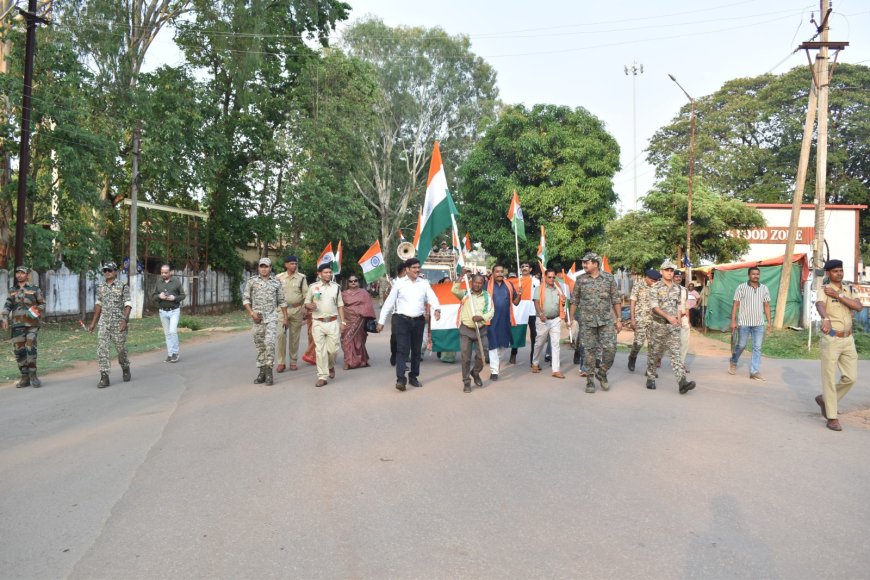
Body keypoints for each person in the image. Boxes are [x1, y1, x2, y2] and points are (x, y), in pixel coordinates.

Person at [377, 258, 441, 391]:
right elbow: (389, 303)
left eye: (418, 267)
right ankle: (400, 379)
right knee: (402, 350)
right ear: (407, 269)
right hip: (402, 320)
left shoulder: (424, 283)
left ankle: (413, 377)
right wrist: (381, 321)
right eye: (414, 268)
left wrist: (437, 309)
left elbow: (432, 297)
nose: (417, 270)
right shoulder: (399, 284)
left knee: (416, 351)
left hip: (418, 321)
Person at [814, 259, 862, 431]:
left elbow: (858, 306)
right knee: (828, 377)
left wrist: (840, 296)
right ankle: (832, 417)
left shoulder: (848, 289)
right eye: (835, 271)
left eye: (841, 270)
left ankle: (826, 399)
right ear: (828, 273)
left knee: (851, 377)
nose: (839, 273)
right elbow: (819, 305)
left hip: (848, 340)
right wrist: (825, 318)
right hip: (832, 339)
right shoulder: (824, 290)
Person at [570, 252, 622, 393]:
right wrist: (571, 318)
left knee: (611, 349)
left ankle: (602, 372)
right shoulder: (580, 280)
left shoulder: (609, 278)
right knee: (589, 352)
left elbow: (616, 299)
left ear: (596, 264)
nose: (584, 265)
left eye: (587, 262)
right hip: (587, 322)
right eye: (583, 262)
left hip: (606, 321)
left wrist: (619, 319)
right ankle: (590, 381)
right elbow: (574, 300)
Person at [646, 260, 696, 394]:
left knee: (675, 354)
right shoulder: (655, 288)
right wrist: (668, 317)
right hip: (658, 325)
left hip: (673, 327)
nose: (669, 273)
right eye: (667, 270)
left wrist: (678, 318)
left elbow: (679, 306)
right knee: (654, 353)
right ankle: (650, 377)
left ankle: (682, 382)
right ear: (661, 272)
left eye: (671, 270)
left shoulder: (679, 289)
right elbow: (654, 306)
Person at [242, 257, 289, 386]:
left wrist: (285, 317)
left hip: (272, 317)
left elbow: (282, 301)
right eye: (261, 266)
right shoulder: (252, 282)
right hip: (257, 318)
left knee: (269, 343)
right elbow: (246, 299)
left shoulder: (276, 283)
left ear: (270, 268)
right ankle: (261, 372)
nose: (264, 269)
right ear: (258, 268)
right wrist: (251, 313)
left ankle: (269, 373)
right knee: (260, 345)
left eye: (266, 266)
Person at [87, 262, 132, 388]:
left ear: (115, 271)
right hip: (104, 323)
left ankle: (125, 367)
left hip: (119, 323)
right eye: (105, 270)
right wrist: (93, 323)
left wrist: (125, 320)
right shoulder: (101, 286)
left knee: (121, 349)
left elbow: (128, 304)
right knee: (102, 349)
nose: (107, 272)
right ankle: (104, 377)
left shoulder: (123, 286)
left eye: (109, 270)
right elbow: (98, 305)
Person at [3, 266, 46, 388]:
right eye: (17, 273)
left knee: (30, 348)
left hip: (31, 325)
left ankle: (33, 375)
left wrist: (34, 310)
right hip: (17, 326)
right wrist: (5, 318)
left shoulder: (34, 289)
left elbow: (42, 304)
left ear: (27, 275)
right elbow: (8, 305)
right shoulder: (12, 290)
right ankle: (24, 377)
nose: (19, 275)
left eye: (22, 273)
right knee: (19, 352)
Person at [304, 263, 346, 386]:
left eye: (330, 272)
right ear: (319, 274)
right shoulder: (313, 287)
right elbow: (306, 302)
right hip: (317, 322)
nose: (328, 274)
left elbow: (340, 305)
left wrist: (343, 322)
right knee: (320, 350)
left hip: (332, 322)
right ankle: (322, 376)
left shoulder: (336, 287)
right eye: (325, 272)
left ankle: (331, 365)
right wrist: (309, 305)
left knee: (333, 350)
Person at [728, 266, 771, 381]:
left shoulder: (764, 288)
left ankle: (754, 371)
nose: (755, 276)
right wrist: (733, 321)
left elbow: (766, 305)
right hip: (744, 323)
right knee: (741, 345)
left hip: (759, 323)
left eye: (757, 274)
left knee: (757, 347)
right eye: (753, 274)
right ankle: (734, 360)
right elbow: (736, 304)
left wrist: (769, 322)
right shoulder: (741, 287)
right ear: (749, 275)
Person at [452, 273, 494, 392]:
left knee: (483, 356)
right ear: (471, 282)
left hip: (481, 330)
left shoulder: (487, 296)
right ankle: (466, 382)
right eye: (475, 282)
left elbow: (491, 311)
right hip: (466, 330)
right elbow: (454, 290)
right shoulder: (465, 294)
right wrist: (461, 276)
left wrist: (481, 317)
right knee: (466, 358)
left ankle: (475, 372)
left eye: (480, 282)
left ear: (483, 283)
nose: (477, 284)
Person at [486, 264, 522, 380]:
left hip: (505, 320)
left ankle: (496, 363)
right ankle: (494, 371)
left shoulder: (509, 285)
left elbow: (516, 302)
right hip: (491, 320)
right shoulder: (487, 285)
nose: (500, 274)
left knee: (503, 346)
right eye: (497, 271)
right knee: (493, 345)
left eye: (502, 271)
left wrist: (520, 294)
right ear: (492, 273)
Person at [531, 268, 567, 379]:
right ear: (545, 277)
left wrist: (563, 301)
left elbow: (563, 301)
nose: (551, 279)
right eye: (549, 277)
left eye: (553, 277)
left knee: (555, 344)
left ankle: (556, 370)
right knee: (540, 342)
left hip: (555, 319)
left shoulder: (558, 288)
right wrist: (540, 313)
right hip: (543, 320)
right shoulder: (539, 288)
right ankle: (535, 363)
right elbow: (536, 302)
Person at [275, 255, 308, 373]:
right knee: (280, 336)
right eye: (292, 263)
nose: (294, 265)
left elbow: (306, 294)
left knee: (294, 338)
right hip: (281, 311)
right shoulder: (278, 277)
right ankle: (281, 362)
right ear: (286, 265)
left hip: (296, 310)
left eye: (295, 264)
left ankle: (293, 362)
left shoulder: (302, 278)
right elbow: (274, 294)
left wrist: (305, 308)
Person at [628, 269, 661, 373]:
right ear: (646, 277)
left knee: (653, 345)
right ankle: (632, 357)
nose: (654, 282)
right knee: (638, 343)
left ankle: (650, 369)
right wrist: (632, 319)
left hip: (653, 320)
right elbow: (632, 302)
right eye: (652, 280)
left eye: (656, 281)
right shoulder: (638, 285)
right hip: (640, 319)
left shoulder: (658, 287)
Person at [151, 264, 185, 363]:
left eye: (166, 272)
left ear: (170, 272)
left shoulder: (176, 281)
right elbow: (153, 296)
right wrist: (159, 296)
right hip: (163, 311)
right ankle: (170, 354)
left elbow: (183, 295)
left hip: (174, 310)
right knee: (167, 334)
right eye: (162, 272)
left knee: (173, 331)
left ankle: (175, 353)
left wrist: (174, 298)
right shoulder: (159, 282)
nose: (163, 274)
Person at [340, 275, 375, 370]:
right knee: (346, 340)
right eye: (351, 281)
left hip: (360, 319)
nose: (353, 282)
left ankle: (362, 361)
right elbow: (340, 307)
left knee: (359, 341)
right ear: (348, 283)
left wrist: (361, 312)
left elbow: (368, 305)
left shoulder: (363, 293)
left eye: (355, 281)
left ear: (358, 282)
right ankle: (348, 361)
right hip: (348, 320)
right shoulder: (343, 294)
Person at [388, 262, 407, 366]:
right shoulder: (392, 283)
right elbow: (387, 299)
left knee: (405, 337)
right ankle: (394, 353)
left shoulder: (411, 282)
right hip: (396, 314)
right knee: (395, 337)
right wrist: (388, 290)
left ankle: (403, 360)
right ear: (403, 271)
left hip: (408, 314)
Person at [673, 270, 691, 372]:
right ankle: (658, 358)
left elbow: (686, 305)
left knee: (684, 342)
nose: (678, 278)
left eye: (679, 277)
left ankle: (681, 364)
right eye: (676, 276)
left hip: (683, 318)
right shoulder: (669, 289)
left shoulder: (685, 290)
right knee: (666, 341)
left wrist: (688, 320)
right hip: (672, 318)